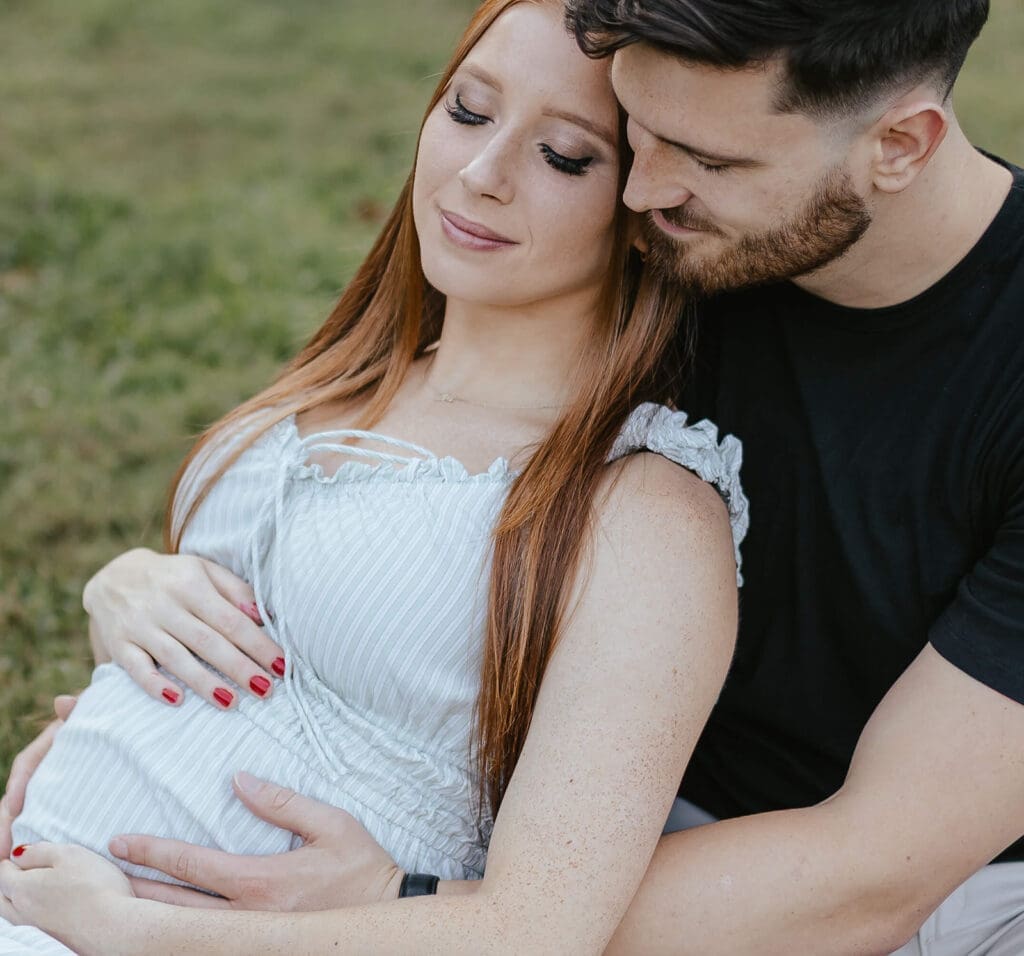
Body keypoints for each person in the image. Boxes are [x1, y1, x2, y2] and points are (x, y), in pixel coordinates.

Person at [6, 0, 1024, 953]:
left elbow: (870, 874)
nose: (641, 189)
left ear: (898, 146)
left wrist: (410, 898)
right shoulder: (686, 233)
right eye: (635, 130)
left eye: (702, 157)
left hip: (890, 901)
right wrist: (137, 625)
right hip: (586, 796)